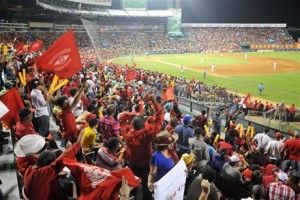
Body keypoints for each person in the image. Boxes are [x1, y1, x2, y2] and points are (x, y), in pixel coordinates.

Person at [119, 94, 163, 200]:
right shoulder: (147, 135)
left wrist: (136, 113)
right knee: (146, 189)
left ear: (132, 125)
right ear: (143, 125)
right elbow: (159, 119)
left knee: (132, 185)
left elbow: (121, 117)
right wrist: (154, 102)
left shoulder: (127, 133)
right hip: (145, 165)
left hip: (132, 164)